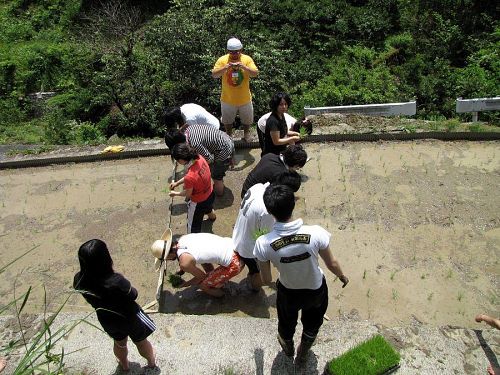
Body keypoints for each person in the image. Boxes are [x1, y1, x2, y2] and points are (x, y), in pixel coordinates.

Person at [253, 185, 349, 364]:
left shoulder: (263, 243)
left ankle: (287, 346)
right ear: (293, 204)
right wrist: (342, 276)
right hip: (316, 290)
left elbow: (267, 279)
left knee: (286, 324)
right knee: (313, 323)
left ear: (269, 211)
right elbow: (332, 263)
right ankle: (303, 351)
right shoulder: (315, 233)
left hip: (288, 293)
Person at [73, 239, 156, 371]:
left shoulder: (78, 280)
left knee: (120, 343)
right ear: (105, 258)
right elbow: (133, 294)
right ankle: (151, 362)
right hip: (130, 317)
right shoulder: (116, 281)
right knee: (141, 342)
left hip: (106, 318)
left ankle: (124, 365)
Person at [233, 170, 302, 291]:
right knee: (256, 272)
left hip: (239, 231)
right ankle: (255, 291)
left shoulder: (258, 187)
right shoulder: (267, 211)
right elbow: (267, 238)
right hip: (248, 247)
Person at [165, 232, 244, 297]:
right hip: (236, 246)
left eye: (166, 258)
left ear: (168, 255)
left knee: (203, 286)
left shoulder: (184, 262)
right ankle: (214, 277)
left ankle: (224, 297)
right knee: (203, 260)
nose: (167, 260)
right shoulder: (183, 238)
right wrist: (182, 270)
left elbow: (201, 277)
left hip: (236, 263)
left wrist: (185, 284)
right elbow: (195, 252)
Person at [165, 125, 234, 196]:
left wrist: (197, 168)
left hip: (224, 148)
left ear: (178, 143)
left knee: (216, 176)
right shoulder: (188, 130)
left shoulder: (195, 144)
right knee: (215, 171)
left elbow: (209, 159)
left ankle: (219, 194)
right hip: (225, 138)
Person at [212, 37, 259, 141]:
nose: (234, 54)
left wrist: (244, 67)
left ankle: (246, 134)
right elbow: (214, 74)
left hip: (245, 98)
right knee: (227, 120)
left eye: (237, 52)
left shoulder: (246, 59)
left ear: (241, 50)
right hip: (227, 98)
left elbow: (255, 73)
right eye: (232, 52)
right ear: (228, 51)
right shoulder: (222, 60)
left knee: (247, 119)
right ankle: (229, 135)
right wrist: (225, 68)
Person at [169, 143, 216, 233]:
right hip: (210, 193)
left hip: (198, 203)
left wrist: (175, 193)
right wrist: (177, 183)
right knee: (208, 208)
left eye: (177, 160)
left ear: (181, 160)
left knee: (192, 226)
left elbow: (188, 194)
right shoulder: (199, 158)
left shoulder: (190, 176)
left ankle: (192, 241)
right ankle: (212, 217)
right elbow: (191, 177)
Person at [241, 144, 307, 199]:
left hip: (246, 188)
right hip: (250, 198)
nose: (297, 169)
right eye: (297, 167)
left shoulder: (270, 155)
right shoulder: (281, 174)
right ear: (294, 165)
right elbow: (275, 194)